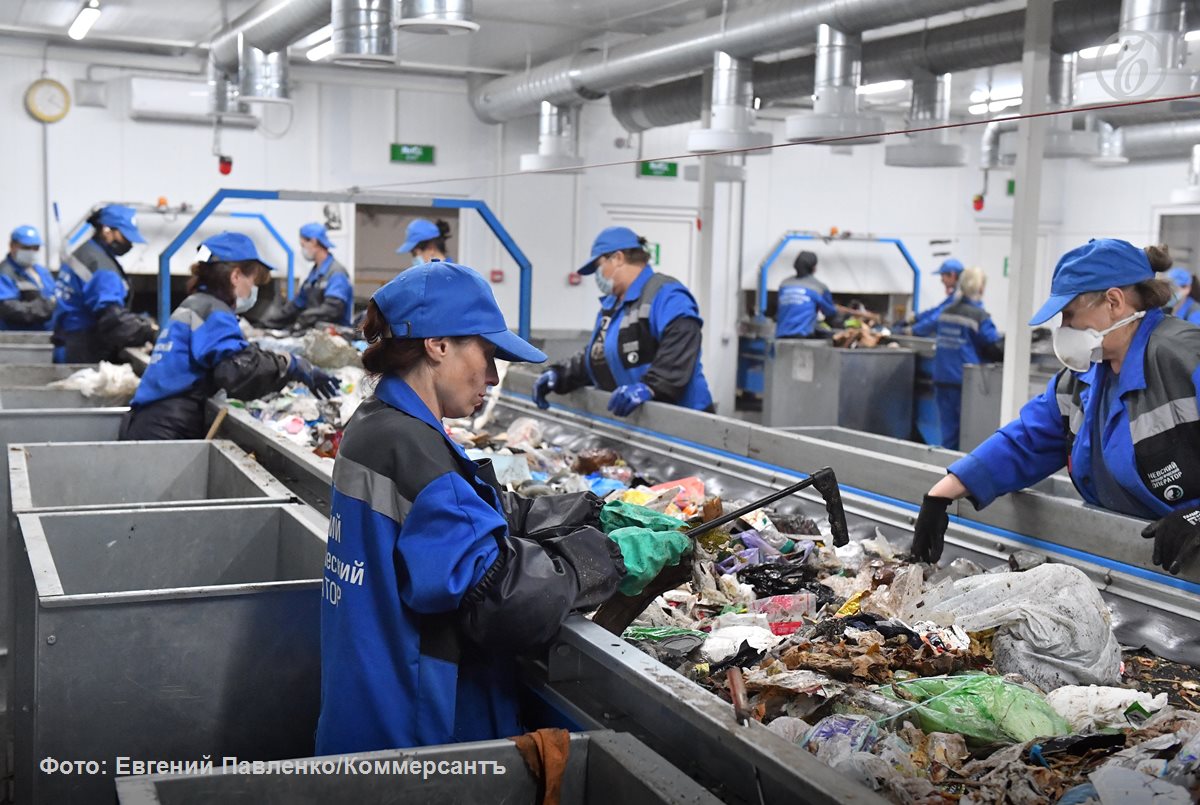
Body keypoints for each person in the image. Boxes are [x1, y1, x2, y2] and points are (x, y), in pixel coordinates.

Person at [316, 261, 670, 754]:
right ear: (437, 344)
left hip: (365, 707)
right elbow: (498, 597)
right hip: (416, 734)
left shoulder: (379, 423)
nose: (493, 375)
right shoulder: (415, 451)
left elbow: (469, 509)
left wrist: (588, 512)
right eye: (486, 353)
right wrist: (608, 557)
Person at [912, 239, 1200, 575]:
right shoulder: (1085, 376)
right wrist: (942, 494)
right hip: (1137, 563)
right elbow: (1028, 440)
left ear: (1114, 302)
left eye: (1069, 315)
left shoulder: (1184, 358)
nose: (1063, 329)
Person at [122, 232, 340, 441]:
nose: (253, 289)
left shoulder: (196, 304)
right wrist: (290, 364)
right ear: (235, 276)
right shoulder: (213, 311)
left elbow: (231, 356)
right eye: (253, 280)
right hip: (166, 429)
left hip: (151, 422)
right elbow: (237, 370)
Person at [532, 226, 714, 417]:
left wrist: (649, 387)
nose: (597, 275)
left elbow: (681, 345)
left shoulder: (666, 295)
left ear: (618, 258)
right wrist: (560, 375)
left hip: (687, 421)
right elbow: (598, 355)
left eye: (598, 266)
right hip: (647, 422)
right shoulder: (612, 306)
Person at [54, 204, 157, 363]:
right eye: (125, 236)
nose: (130, 243)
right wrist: (148, 332)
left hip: (66, 341)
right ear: (106, 230)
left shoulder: (85, 252)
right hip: (84, 349)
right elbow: (112, 319)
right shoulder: (102, 267)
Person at [931, 267, 1005, 451]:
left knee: (949, 434)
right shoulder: (979, 316)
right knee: (970, 436)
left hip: (942, 378)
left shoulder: (946, 311)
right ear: (980, 289)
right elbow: (993, 346)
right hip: (966, 382)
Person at [258, 223, 353, 329]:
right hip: (315, 333)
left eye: (303, 245)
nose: (302, 250)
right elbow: (296, 304)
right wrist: (266, 323)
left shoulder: (336, 273)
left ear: (314, 242)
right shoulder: (314, 275)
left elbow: (333, 309)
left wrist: (304, 317)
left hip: (336, 337)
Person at [0, 225, 55, 331]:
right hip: (20, 340)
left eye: (36, 248)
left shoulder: (41, 271)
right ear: (12, 246)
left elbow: (55, 294)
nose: (31, 252)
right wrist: (44, 308)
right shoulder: (4, 274)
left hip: (47, 336)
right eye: (26, 248)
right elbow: (8, 308)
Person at [775, 251, 839, 339]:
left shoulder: (784, 285)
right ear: (814, 268)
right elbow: (830, 313)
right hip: (803, 337)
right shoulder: (818, 287)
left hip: (780, 335)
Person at [910, 258, 964, 337]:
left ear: (952, 275)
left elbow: (937, 318)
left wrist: (914, 330)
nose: (941, 280)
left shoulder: (959, 296)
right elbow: (937, 309)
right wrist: (915, 318)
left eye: (943, 275)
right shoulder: (955, 294)